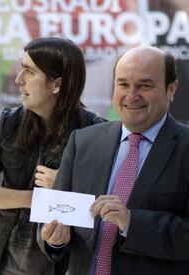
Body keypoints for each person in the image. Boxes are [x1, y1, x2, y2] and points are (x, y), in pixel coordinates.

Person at [39, 45, 189, 275]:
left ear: (171, 89)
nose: (132, 95)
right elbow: (52, 221)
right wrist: (54, 241)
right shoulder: (82, 142)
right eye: (123, 84)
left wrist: (131, 222)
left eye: (145, 85)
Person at [0, 37, 106, 275]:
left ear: (56, 84)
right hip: (7, 266)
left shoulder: (96, 132)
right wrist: (39, 199)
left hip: (68, 267)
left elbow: (106, 206)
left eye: (29, 71)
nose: (19, 80)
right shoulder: (10, 122)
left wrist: (65, 183)